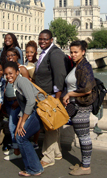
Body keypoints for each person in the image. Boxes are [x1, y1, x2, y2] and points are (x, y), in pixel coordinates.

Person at [4, 61, 44, 176]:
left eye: (11, 73)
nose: (8, 76)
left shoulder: (22, 81)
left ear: (17, 72)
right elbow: (24, 106)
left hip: (38, 111)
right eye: (6, 74)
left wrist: (23, 121)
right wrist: (20, 122)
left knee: (21, 137)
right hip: (34, 111)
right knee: (20, 136)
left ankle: (34, 168)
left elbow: (31, 101)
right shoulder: (16, 83)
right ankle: (35, 167)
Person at [62, 40, 96, 176]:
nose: (73, 54)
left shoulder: (84, 67)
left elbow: (87, 89)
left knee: (84, 136)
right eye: (71, 52)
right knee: (81, 135)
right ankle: (83, 163)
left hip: (81, 106)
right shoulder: (79, 65)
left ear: (83, 52)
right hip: (77, 104)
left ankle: (86, 167)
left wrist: (69, 94)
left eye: (76, 52)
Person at [34, 30, 67, 168]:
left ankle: (48, 157)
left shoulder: (55, 53)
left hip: (50, 97)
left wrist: (56, 99)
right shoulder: (46, 52)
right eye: (40, 39)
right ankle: (57, 152)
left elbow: (59, 76)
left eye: (45, 39)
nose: (42, 41)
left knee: (50, 126)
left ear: (51, 39)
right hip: (45, 96)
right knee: (54, 125)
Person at [3, 48, 30, 161]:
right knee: (12, 126)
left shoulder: (21, 69)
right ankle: (16, 149)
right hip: (8, 101)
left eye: (13, 55)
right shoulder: (8, 69)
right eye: (8, 55)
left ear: (18, 56)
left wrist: (17, 101)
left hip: (17, 102)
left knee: (14, 126)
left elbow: (27, 87)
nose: (10, 57)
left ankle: (17, 151)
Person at [25, 40, 40, 149]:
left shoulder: (38, 64)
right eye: (27, 52)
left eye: (31, 52)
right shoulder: (26, 63)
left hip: (35, 95)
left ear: (35, 52)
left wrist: (31, 81)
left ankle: (35, 142)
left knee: (35, 119)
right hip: (27, 94)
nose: (29, 54)